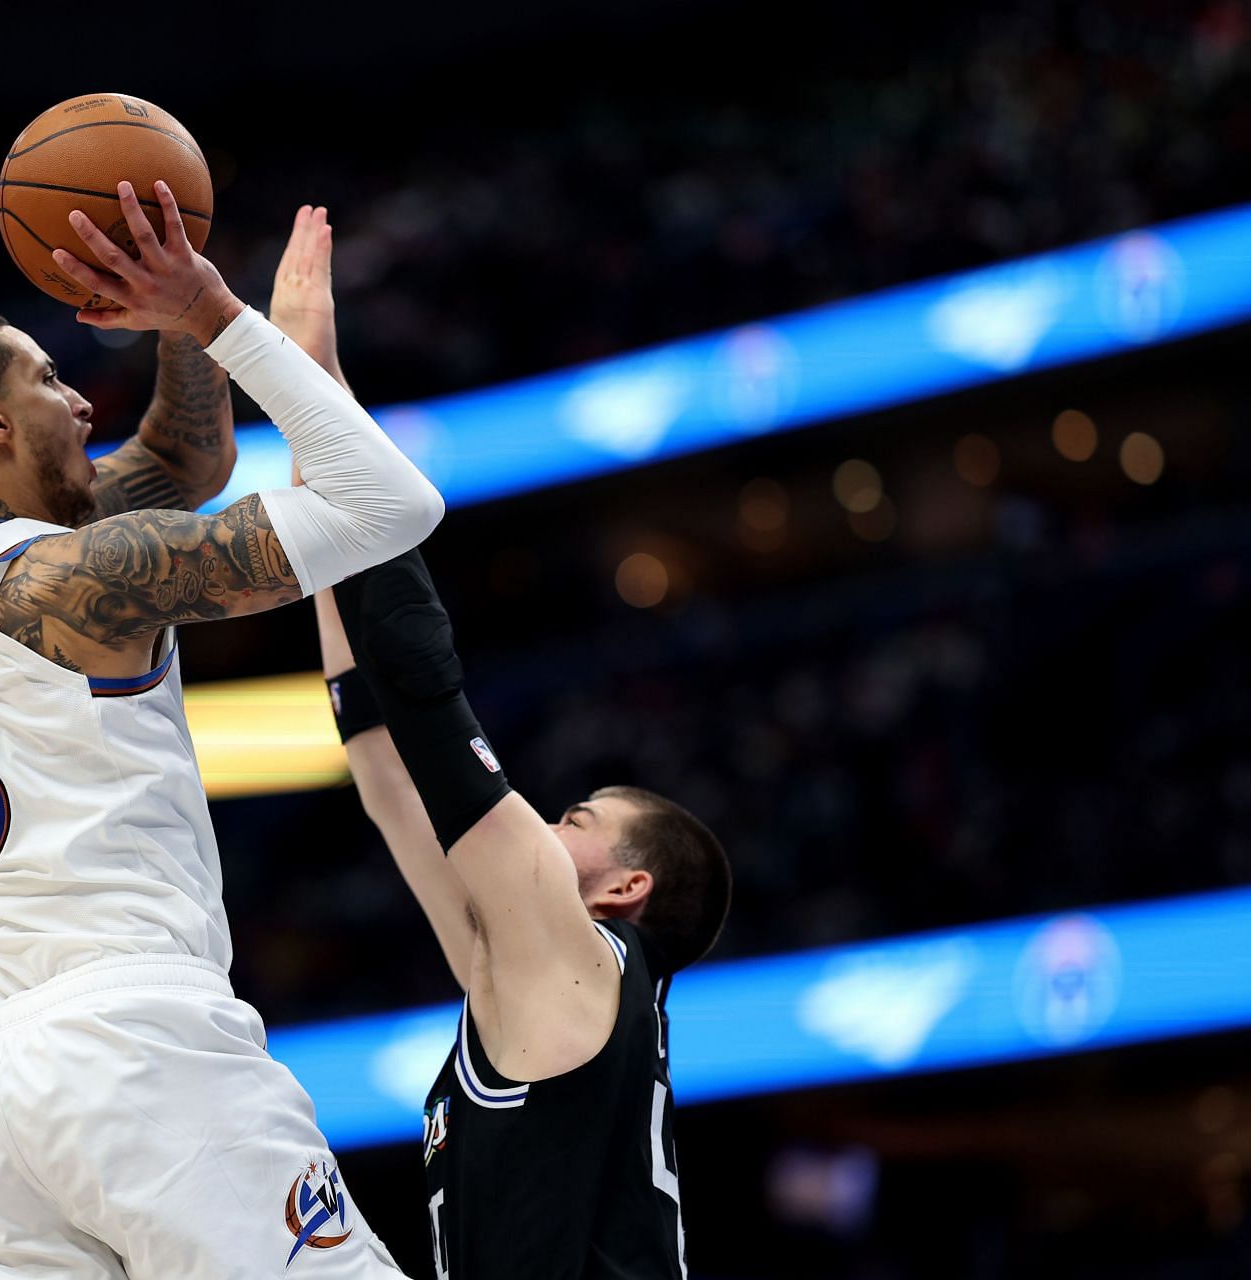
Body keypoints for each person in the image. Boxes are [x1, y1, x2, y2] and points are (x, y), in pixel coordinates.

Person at [0, 186, 438, 1278]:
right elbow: (391, 507)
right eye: (45, 380)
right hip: (131, 1044)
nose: (80, 400)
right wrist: (221, 310)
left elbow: (186, 461)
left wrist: (168, 305)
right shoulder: (71, 578)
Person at [270, 217, 732, 1279]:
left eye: (573, 819)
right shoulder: (530, 974)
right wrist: (314, 416)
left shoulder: (583, 965)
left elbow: (427, 702)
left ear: (624, 885)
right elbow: (384, 758)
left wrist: (293, 370)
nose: (539, 816)